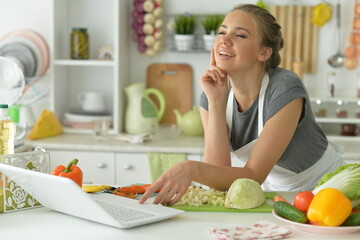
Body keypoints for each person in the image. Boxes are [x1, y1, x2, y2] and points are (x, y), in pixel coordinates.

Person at [139, 4, 344, 205]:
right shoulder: (212, 94)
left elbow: (254, 174)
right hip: (276, 191)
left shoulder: (284, 88)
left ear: (263, 53)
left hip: (328, 187)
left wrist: (191, 168)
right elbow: (216, 176)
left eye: (240, 35)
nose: (224, 41)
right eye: (221, 32)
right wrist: (217, 103)